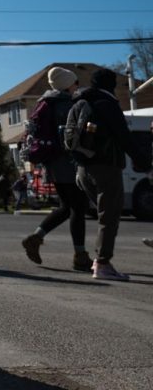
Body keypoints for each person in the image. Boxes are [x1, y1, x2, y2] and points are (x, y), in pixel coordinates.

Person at [71, 68, 151, 281]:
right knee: (109, 216)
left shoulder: (80, 102)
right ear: (111, 85)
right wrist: (145, 164)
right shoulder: (107, 104)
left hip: (82, 167)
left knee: (101, 214)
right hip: (106, 165)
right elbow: (124, 137)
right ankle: (103, 263)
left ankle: (100, 261)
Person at [21, 67, 93, 271]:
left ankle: (36, 238)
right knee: (78, 208)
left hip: (52, 162)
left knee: (67, 207)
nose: (77, 85)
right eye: (74, 82)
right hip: (67, 162)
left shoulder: (46, 101)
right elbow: (72, 135)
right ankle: (80, 255)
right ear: (67, 83)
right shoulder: (65, 104)